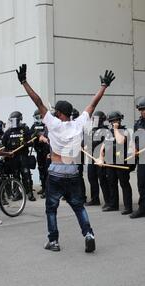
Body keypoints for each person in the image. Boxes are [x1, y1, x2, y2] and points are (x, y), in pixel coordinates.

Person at [17, 63, 115, 253]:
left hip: (55, 171)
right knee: (78, 207)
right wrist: (103, 86)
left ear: (59, 113)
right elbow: (92, 105)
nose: (53, 113)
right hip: (72, 171)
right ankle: (89, 234)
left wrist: (24, 82)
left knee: (51, 209)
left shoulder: (53, 124)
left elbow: (37, 102)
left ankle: (53, 241)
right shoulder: (78, 124)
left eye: (56, 111)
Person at [103, 111, 133, 214]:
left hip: (121, 161)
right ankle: (113, 205)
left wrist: (116, 129)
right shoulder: (109, 132)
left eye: (116, 120)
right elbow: (104, 145)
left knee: (124, 184)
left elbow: (120, 141)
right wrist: (100, 157)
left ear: (120, 120)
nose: (115, 122)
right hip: (110, 161)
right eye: (113, 121)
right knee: (111, 183)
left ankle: (128, 207)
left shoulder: (124, 131)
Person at [2, 111, 36, 202]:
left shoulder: (24, 129)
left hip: (23, 156)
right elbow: (4, 144)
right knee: (15, 175)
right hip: (13, 157)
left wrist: (26, 143)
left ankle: (29, 193)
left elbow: (31, 142)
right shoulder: (8, 131)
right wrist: (7, 151)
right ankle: (17, 194)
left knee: (26, 175)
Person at [85, 111, 111, 208]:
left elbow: (107, 144)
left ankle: (108, 201)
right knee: (91, 178)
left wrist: (102, 157)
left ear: (102, 120)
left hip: (101, 158)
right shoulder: (92, 130)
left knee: (103, 179)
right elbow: (87, 140)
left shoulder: (105, 130)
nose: (95, 121)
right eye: (94, 119)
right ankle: (95, 199)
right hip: (92, 158)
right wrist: (85, 145)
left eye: (97, 119)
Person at [31, 110, 50, 198]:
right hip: (38, 150)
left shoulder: (46, 125)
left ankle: (47, 190)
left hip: (46, 151)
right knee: (41, 169)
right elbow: (30, 136)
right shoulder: (34, 126)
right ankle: (43, 186)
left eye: (39, 117)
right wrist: (34, 135)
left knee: (47, 170)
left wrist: (39, 135)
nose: (38, 119)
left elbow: (47, 135)